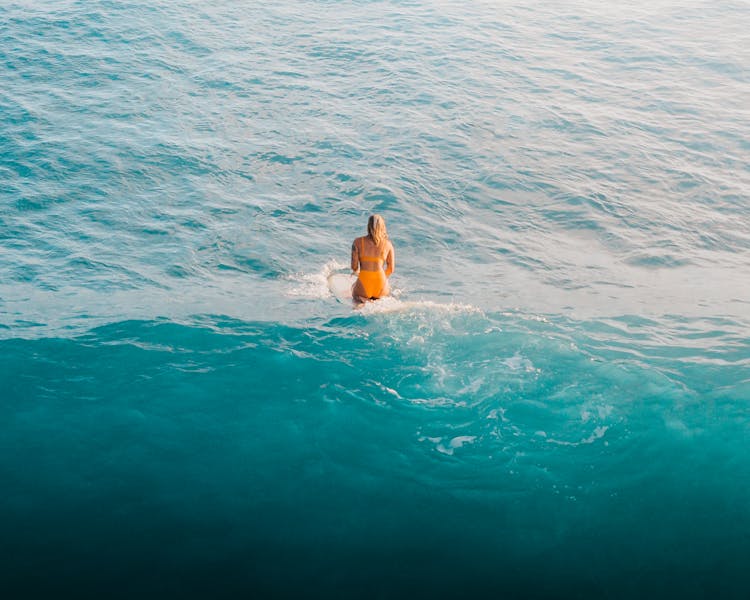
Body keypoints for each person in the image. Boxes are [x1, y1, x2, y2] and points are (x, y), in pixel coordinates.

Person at [351, 214, 395, 303]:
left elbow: (354, 267)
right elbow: (391, 269)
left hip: (364, 282)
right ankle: (376, 299)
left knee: (353, 290)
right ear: (382, 227)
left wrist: (358, 274)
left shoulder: (358, 242)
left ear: (368, 226)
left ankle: (362, 301)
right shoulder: (388, 244)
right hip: (381, 283)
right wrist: (379, 279)